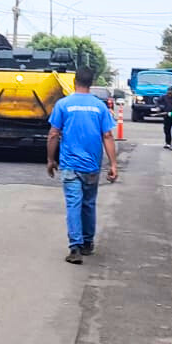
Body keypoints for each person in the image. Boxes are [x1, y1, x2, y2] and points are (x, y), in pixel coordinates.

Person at [47, 66, 120, 264]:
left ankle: (75, 248)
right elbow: (107, 135)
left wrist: (50, 160)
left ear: (74, 82)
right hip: (91, 166)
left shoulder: (63, 104)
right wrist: (113, 164)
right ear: (91, 83)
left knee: (73, 204)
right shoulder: (100, 106)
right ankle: (88, 243)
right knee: (88, 203)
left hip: (70, 164)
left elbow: (53, 134)